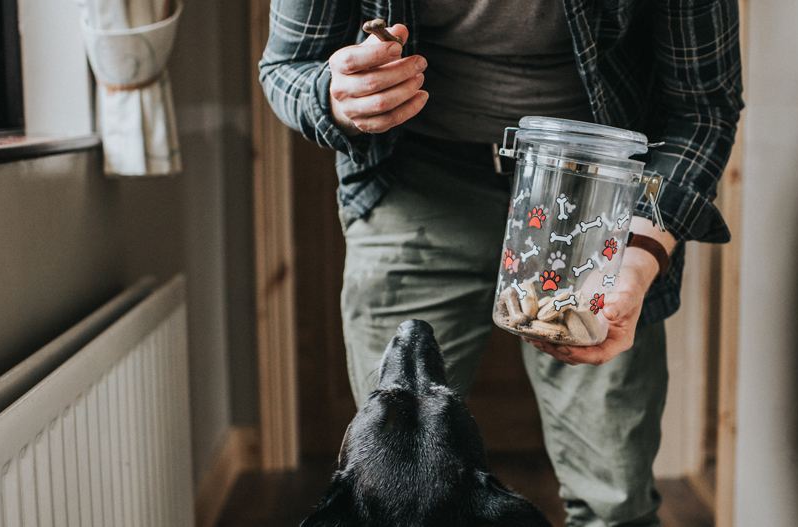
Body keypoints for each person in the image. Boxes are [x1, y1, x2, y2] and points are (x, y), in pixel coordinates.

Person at [260, 0, 742, 524]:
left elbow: (703, 106)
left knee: (615, 497)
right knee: (398, 493)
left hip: (594, 198)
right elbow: (286, 69)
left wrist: (641, 255)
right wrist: (331, 97)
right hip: (417, 183)